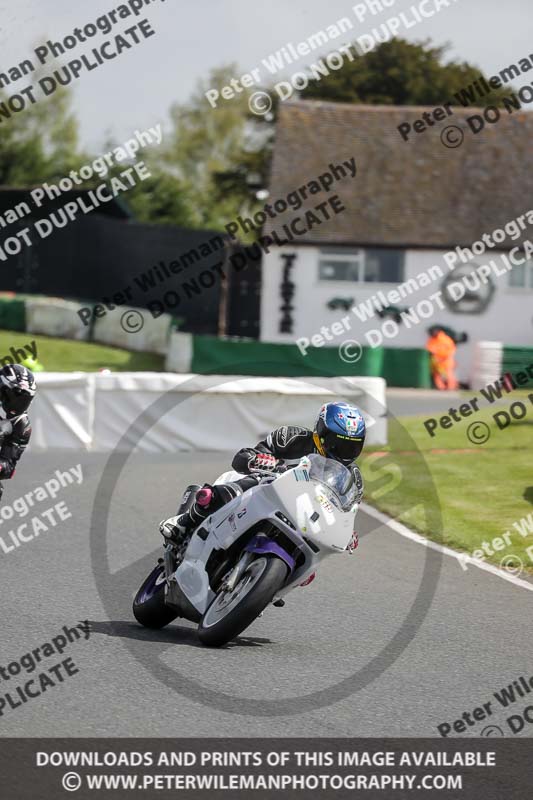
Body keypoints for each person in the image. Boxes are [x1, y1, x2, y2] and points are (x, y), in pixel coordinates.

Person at [160, 401, 366, 547]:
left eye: (351, 447)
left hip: (303, 517)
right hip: (265, 493)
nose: (343, 451)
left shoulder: (353, 478)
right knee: (243, 481)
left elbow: (346, 513)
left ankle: (262, 589)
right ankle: (183, 522)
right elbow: (242, 458)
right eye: (337, 443)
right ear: (320, 433)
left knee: (312, 568)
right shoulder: (292, 438)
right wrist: (260, 460)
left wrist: (348, 534)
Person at [0, 364, 36, 502]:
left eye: (25, 399)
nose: (19, 402)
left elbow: (9, 467)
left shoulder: (22, 426)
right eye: (16, 396)